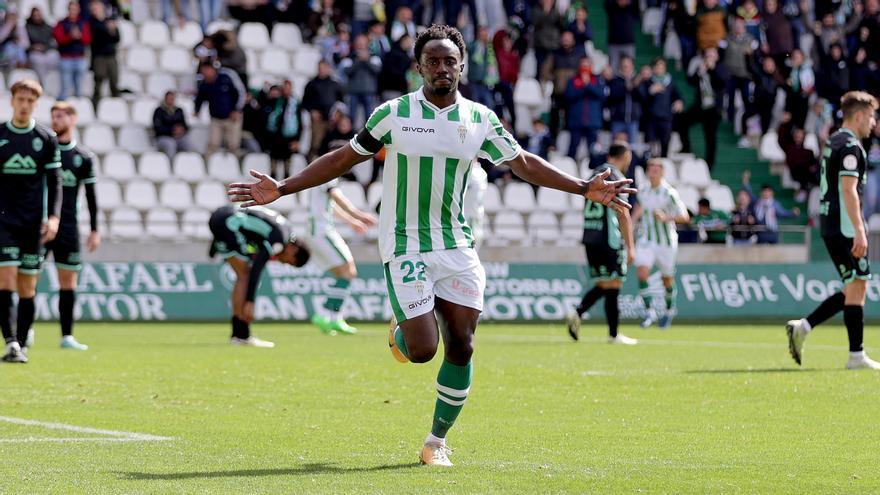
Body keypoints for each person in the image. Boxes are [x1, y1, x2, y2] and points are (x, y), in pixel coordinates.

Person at [227, 24, 634, 467]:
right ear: (419, 67)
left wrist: (581, 187)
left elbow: (523, 164)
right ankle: (403, 329)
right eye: (433, 61)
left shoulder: (480, 118)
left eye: (449, 60)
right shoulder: (394, 113)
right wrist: (284, 187)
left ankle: (436, 441)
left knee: (463, 343)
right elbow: (345, 157)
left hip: (457, 246)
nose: (442, 67)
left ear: (461, 65)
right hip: (404, 244)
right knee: (423, 349)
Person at [786, 91, 880, 370]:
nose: (874, 123)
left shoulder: (834, 141)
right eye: (872, 117)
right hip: (844, 225)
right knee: (858, 282)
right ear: (860, 115)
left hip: (831, 223)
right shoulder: (851, 146)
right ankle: (854, 355)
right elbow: (849, 191)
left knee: (856, 284)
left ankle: (811, 330)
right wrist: (861, 231)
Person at [0, 80, 62, 363]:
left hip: (32, 222)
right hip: (4, 221)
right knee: (5, 280)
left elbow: (55, 181)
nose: (25, 105)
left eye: (30, 101)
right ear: (12, 100)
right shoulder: (1, 134)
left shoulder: (46, 139)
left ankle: (22, 345)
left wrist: (53, 217)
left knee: (27, 287)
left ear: (36, 104)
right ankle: (10, 341)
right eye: (20, 99)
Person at [40, 102, 99, 351]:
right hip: (40, 225)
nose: (56, 120)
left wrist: (95, 229)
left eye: (61, 116)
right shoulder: (42, 150)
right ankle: (25, 331)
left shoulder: (83, 157)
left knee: (68, 281)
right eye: (53, 116)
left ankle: (67, 336)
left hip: (69, 228)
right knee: (28, 277)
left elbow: (91, 196)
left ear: (73, 120)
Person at [208, 205, 310, 348]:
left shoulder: (285, 229)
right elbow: (257, 267)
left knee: (243, 274)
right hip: (227, 222)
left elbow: (252, 223)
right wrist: (250, 301)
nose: (283, 262)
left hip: (222, 216)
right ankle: (240, 335)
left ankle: (240, 333)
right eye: (289, 262)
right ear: (293, 249)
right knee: (245, 274)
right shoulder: (279, 240)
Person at [565, 141, 637, 345]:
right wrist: (631, 245)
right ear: (626, 156)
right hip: (609, 238)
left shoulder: (594, 175)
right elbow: (623, 212)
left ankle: (588, 319)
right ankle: (604, 328)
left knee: (607, 284)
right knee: (613, 283)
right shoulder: (616, 177)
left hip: (590, 237)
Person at [304, 175, 378, 335]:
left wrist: (351, 221)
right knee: (348, 271)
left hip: (317, 230)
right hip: (322, 231)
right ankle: (327, 315)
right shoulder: (328, 173)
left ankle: (331, 318)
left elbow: (331, 204)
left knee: (343, 274)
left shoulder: (320, 173)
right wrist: (359, 215)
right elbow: (336, 196)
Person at [632, 158, 689, 329]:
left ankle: (669, 310)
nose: (653, 171)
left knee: (667, 280)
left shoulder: (669, 193)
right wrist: (631, 222)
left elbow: (684, 217)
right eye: (650, 168)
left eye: (656, 169)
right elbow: (641, 208)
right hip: (647, 240)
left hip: (666, 242)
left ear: (662, 172)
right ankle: (649, 311)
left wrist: (666, 217)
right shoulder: (643, 190)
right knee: (642, 272)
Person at [678, 48, 728, 169]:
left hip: (713, 109)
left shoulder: (720, 68)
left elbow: (721, 81)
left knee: (710, 137)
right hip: (700, 107)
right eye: (707, 55)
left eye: (712, 55)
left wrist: (712, 69)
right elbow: (691, 81)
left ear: (716, 57)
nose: (709, 57)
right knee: (682, 121)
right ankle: (686, 147)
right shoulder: (701, 67)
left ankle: (709, 165)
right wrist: (700, 71)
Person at [195, 62, 246, 155]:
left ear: (212, 69)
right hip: (216, 119)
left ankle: (236, 166)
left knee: (233, 145)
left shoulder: (226, 78)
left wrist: (236, 110)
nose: (204, 73)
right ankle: (208, 166)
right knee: (213, 144)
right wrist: (197, 110)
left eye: (205, 70)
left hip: (231, 117)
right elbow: (200, 99)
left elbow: (239, 94)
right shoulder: (204, 84)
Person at [640, 58, 683, 158]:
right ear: (653, 69)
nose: (659, 69)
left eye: (661, 67)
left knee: (665, 143)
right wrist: (650, 92)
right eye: (657, 67)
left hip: (666, 118)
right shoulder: (648, 82)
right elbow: (640, 99)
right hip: (651, 118)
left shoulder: (670, 82)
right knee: (650, 145)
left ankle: (663, 165)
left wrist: (679, 101)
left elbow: (677, 95)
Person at [565, 56, 606, 159]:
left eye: (587, 65)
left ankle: (594, 171)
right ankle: (569, 170)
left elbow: (601, 95)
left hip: (593, 121)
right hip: (576, 121)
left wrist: (587, 85)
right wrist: (583, 87)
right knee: (573, 148)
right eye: (583, 65)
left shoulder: (597, 80)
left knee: (594, 151)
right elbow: (569, 96)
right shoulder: (573, 80)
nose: (585, 67)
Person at [54, 1, 91, 101]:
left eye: (75, 9)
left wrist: (79, 36)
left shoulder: (83, 23)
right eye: (71, 9)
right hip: (66, 58)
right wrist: (70, 36)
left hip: (80, 58)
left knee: (79, 90)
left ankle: (78, 110)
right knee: (65, 89)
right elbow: (59, 39)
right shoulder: (61, 23)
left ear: (78, 10)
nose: (73, 11)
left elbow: (87, 39)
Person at [265, 80, 302, 179]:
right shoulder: (275, 101)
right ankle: (272, 179)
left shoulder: (295, 104)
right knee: (273, 160)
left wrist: (297, 139)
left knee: (287, 162)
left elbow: (299, 122)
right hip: (275, 136)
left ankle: (286, 182)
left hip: (289, 136)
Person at [88, 0, 121, 107]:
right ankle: (95, 107)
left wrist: (111, 31)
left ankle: (116, 106)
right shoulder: (92, 22)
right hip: (99, 56)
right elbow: (96, 38)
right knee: (98, 81)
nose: (94, 10)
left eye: (96, 7)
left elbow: (117, 38)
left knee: (114, 81)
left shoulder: (108, 21)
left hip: (111, 55)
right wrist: (108, 30)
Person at [606, 55, 643, 145]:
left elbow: (642, 98)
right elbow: (613, 97)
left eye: (627, 66)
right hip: (617, 119)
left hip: (633, 120)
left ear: (632, 66)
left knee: (632, 147)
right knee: (616, 148)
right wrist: (626, 88)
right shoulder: (615, 81)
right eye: (623, 66)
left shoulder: (638, 80)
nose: (625, 68)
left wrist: (635, 87)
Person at [25, 7, 60, 86]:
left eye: (39, 15)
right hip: (33, 52)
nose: (37, 17)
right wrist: (33, 47)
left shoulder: (48, 28)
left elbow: (53, 43)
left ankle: (50, 84)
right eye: (35, 15)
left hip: (47, 51)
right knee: (38, 60)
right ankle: (43, 85)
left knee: (54, 56)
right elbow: (24, 44)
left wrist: (45, 48)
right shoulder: (27, 27)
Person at [153, 91, 190, 157]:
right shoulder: (159, 111)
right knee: (171, 144)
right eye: (169, 98)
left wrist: (181, 129)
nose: (170, 100)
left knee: (188, 144)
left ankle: (189, 164)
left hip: (178, 137)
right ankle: (171, 165)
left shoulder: (179, 111)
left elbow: (185, 125)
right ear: (165, 99)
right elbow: (158, 128)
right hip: (163, 137)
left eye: (172, 99)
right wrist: (172, 130)